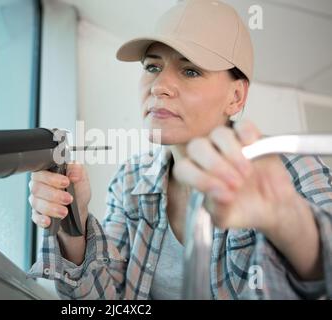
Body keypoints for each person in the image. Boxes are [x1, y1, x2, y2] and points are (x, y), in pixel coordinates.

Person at [28, 0, 332, 299]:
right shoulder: (130, 179)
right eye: (152, 66)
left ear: (236, 97)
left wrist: (287, 221)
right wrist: (73, 224)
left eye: (190, 71)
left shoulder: (289, 168)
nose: (159, 85)